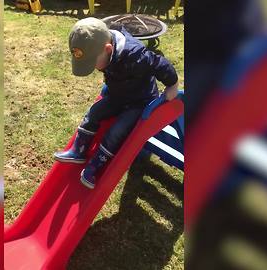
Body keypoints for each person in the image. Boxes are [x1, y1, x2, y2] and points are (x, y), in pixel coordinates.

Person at [54, 17, 179, 189]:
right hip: (118, 94)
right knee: (94, 112)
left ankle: (95, 167)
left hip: (139, 101)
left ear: (108, 49)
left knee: (117, 131)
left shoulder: (136, 55)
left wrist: (172, 84)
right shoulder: (103, 48)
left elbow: (160, 64)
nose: (94, 68)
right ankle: (79, 151)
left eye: (93, 63)